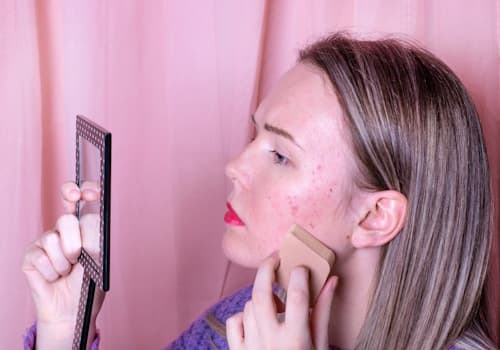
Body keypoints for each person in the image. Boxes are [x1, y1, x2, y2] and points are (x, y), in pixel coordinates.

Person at [23, 32, 496, 349]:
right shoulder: (238, 321)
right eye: (256, 137)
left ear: (374, 217)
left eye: (280, 156)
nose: (234, 166)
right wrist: (64, 329)